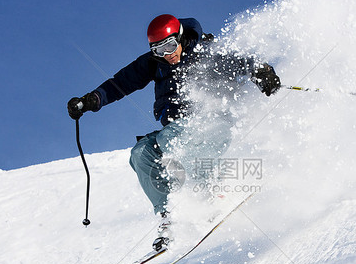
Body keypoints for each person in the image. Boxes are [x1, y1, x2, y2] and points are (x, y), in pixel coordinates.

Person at [68, 14, 280, 251]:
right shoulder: (155, 63)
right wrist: (91, 101)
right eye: (159, 50)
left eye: (170, 46)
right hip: (179, 130)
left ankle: (213, 194)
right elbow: (121, 82)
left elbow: (239, 63)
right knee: (141, 153)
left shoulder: (204, 52)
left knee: (171, 139)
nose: (167, 54)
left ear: (180, 38)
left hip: (213, 125)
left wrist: (262, 71)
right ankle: (170, 217)